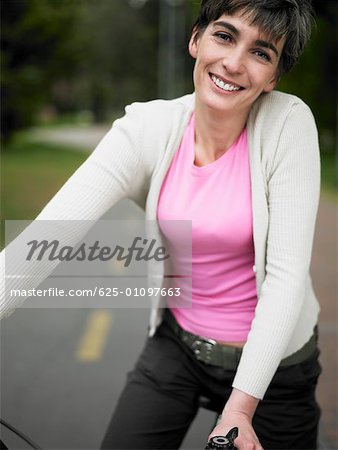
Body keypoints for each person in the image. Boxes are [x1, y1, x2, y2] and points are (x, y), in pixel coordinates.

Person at [1, 0, 322, 449]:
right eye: (225, 36)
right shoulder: (146, 128)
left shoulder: (288, 125)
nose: (233, 62)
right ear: (196, 39)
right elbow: (46, 239)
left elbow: (287, 277)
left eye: (261, 52)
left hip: (275, 370)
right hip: (179, 348)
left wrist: (240, 408)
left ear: (273, 78)